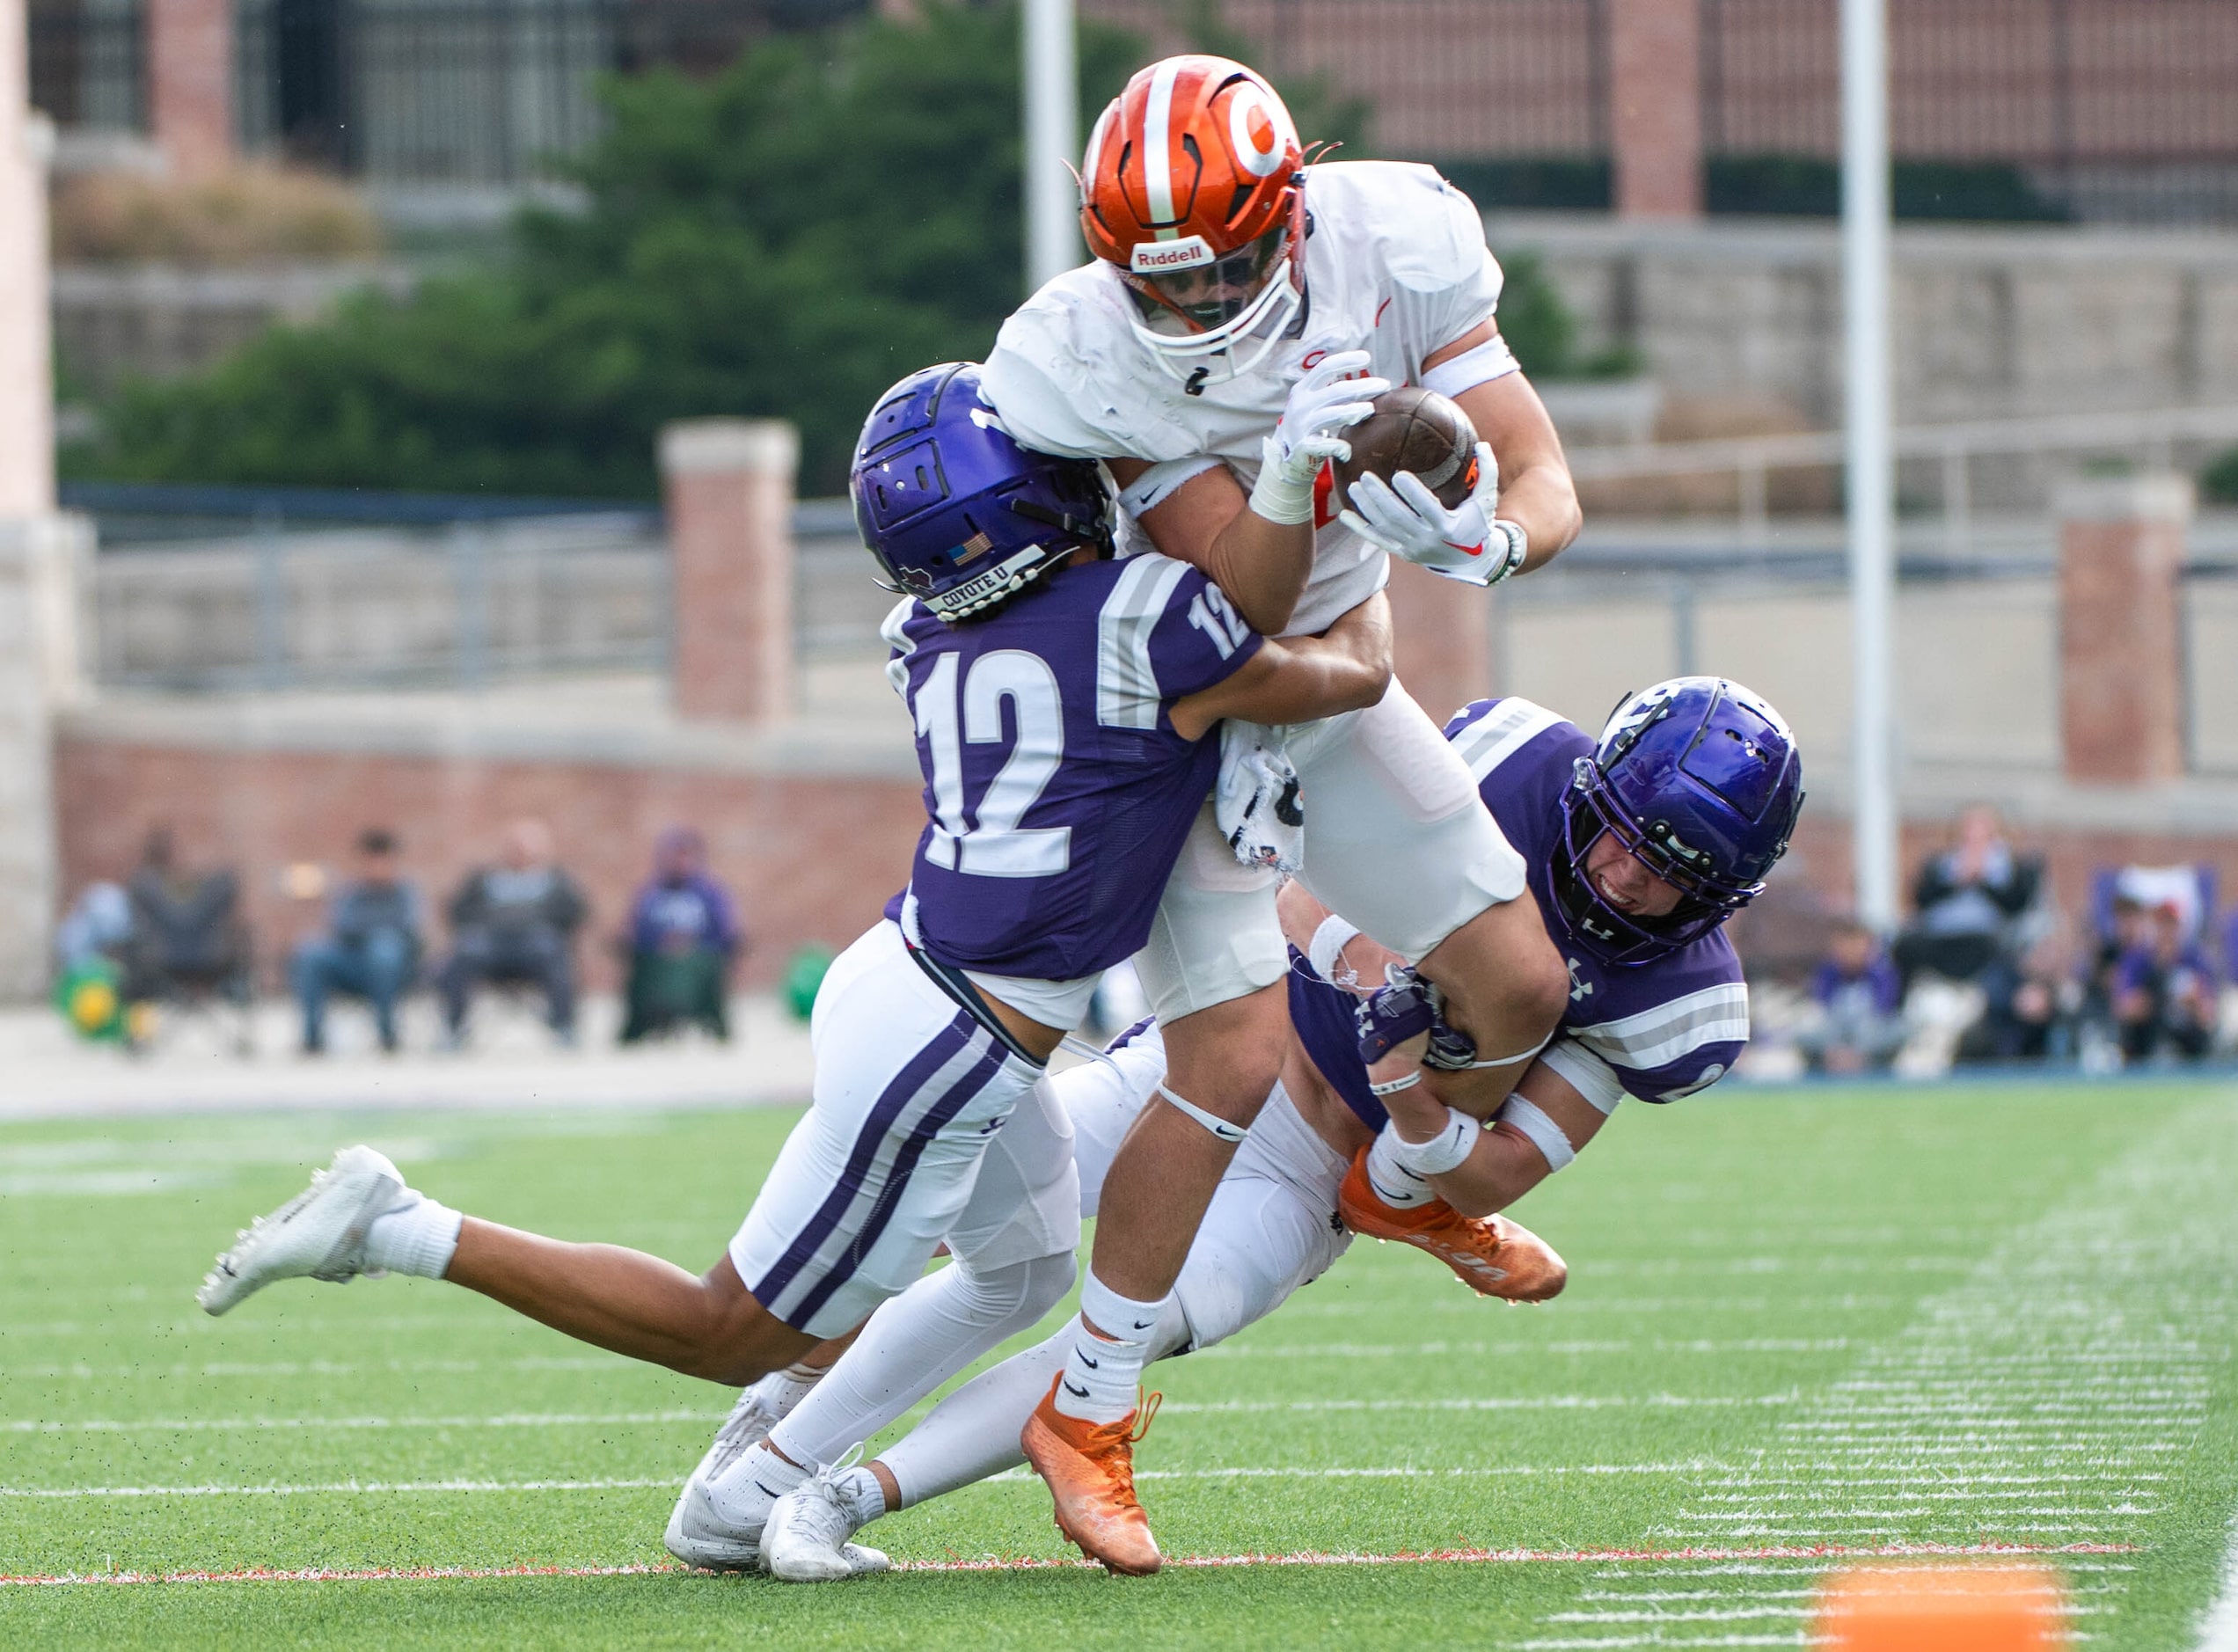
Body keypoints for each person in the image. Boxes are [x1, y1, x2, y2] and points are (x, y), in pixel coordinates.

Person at [193, 362, 1393, 1580]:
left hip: (923, 983)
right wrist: (1361, 551)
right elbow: (1344, 671)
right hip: (954, 1040)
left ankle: (751, 1492)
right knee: (727, 1324)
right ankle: (400, 1227)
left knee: (1023, 1269)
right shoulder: (1143, 620)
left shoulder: (922, 630)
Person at [735, 676, 1803, 1581]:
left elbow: (1495, 1171)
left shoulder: (1683, 1008)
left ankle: (844, 1501)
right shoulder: (1510, 758)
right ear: (1592, 787)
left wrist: (1408, 1096)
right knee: (961, 1205)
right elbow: (1288, 881)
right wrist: (1369, 968)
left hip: (1316, 1179)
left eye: (1674, 876)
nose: (1627, 877)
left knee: (1124, 1338)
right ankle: (775, 1403)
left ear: (1726, 898)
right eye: (1626, 838)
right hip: (1229, 1049)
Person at [977, 55, 1583, 1567]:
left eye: (1226, 270)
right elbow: (1224, 609)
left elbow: (1542, 469)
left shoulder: (1394, 237)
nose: (1191, 310)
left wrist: (1487, 543)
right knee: (1231, 1058)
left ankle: (1401, 1181)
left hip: (1327, 683)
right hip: (1176, 720)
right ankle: (1089, 1406)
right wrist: (1299, 474)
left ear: (1290, 210)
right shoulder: (1073, 348)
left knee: (1516, 982)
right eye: (1158, 283)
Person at [435, 819, 588, 1047]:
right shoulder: (484, 879)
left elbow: (576, 912)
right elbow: (458, 910)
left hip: (536, 946)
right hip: (490, 945)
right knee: (463, 954)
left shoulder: (555, 881)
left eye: (526, 848)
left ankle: (564, 1026)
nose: (520, 854)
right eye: (514, 848)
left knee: (554, 951)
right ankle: (453, 1029)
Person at [289, 828, 424, 1055]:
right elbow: (341, 927)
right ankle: (312, 1037)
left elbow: (409, 931)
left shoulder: (405, 894)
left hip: (395, 968)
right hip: (352, 963)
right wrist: (376, 930)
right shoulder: (350, 894)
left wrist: (373, 933)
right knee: (311, 951)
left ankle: (387, 1033)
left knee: (384, 948)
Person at [1891, 805, 2041, 990]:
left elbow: (2016, 905)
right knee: (1906, 947)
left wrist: (1982, 882)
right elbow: (1923, 900)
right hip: (1941, 936)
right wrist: (1957, 881)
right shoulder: (1941, 863)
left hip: (1986, 936)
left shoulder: (2012, 865)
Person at [121, 826, 254, 1028]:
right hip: (212, 961)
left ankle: (136, 1031)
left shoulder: (144, 888)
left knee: (132, 950)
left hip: (162, 963)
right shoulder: (218, 888)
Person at [619, 827, 741, 1044]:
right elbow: (636, 930)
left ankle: (676, 1016)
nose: (679, 862)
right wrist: (661, 942)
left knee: (690, 966)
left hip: (700, 957)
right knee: (658, 968)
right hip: (656, 959)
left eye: (685, 855)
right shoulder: (651, 893)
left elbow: (723, 931)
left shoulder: (709, 893)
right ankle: (658, 1019)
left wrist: (692, 943)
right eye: (674, 855)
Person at [2113, 900, 2216, 1064]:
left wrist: (2193, 1001)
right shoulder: (2139, 960)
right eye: (2162, 924)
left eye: (2171, 925)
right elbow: (2125, 1007)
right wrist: (2160, 996)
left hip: (2185, 1040)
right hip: (2147, 1039)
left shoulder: (2194, 959)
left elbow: (2207, 1013)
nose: (2167, 931)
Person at [1796, 919, 1905, 1074]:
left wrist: (1859, 1050)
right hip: (1835, 1034)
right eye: (1844, 946)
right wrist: (1834, 1049)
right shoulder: (1827, 972)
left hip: (1870, 1034)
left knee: (1898, 1030)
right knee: (1803, 1031)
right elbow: (1822, 1011)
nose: (1850, 951)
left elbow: (1883, 1012)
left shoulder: (1882, 973)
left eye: (1856, 945)